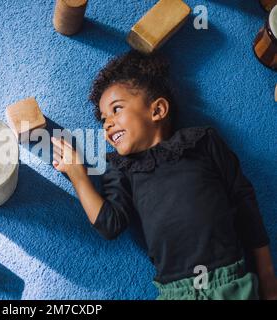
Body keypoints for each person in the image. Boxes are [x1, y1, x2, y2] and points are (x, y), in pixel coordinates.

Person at [50, 50, 277, 300]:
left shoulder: (201, 142)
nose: (107, 123)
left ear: (157, 110)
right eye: (103, 119)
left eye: (116, 109)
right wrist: (77, 174)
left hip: (230, 283)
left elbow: (244, 202)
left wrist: (267, 275)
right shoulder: (122, 168)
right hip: (175, 292)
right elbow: (109, 224)